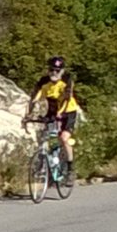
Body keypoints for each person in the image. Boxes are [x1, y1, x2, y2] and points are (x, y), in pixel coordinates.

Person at [27, 56, 79, 186]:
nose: (54, 73)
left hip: (68, 112)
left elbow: (67, 99)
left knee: (64, 138)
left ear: (61, 71)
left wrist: (60, 114)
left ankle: (70, 169)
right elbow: (34, 98)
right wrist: (28, 115)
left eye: (57, 70)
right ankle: (52, 165)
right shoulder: (44, 82)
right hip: (53, 110)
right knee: (50, 137)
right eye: (51, 70)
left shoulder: (66, 81)